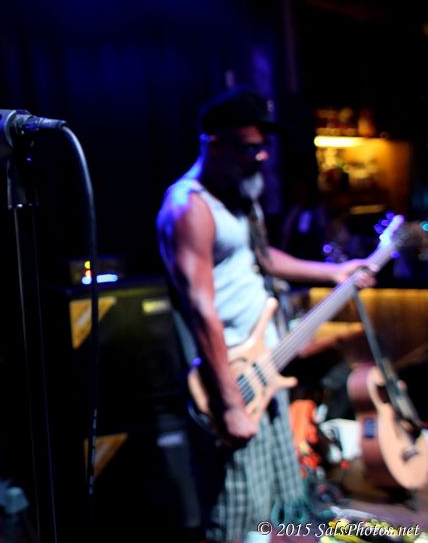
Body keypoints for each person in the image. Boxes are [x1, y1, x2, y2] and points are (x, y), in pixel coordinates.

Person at [156, 86, 375, 543]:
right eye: (249, 147)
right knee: (237, 515)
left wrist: (334, 272)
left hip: (266, 368)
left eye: (263, 146)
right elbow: (201, 310)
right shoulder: (190, 207)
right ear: (213, 144)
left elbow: (263, 258)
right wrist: (230, 405)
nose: (261, 157)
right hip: (231, 380)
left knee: (276, 507)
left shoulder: (239, 196)